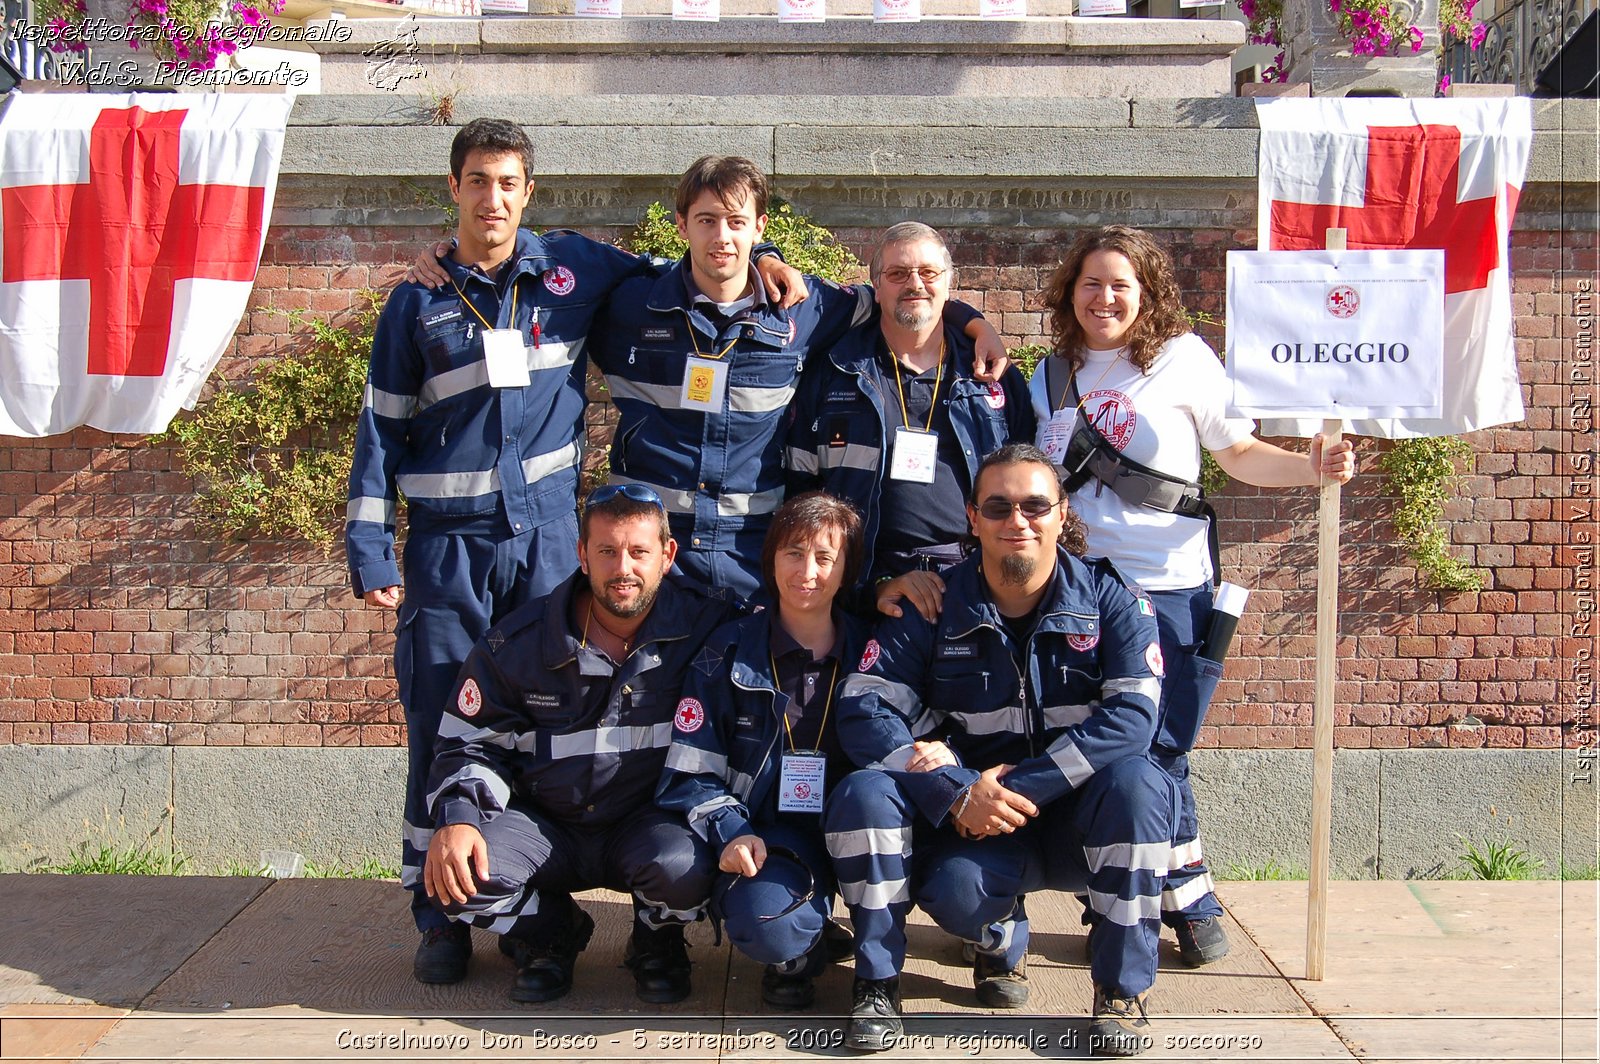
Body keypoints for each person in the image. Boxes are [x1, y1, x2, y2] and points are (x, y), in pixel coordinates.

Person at [350, 120, 801, 985]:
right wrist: (373, 550)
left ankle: (565, 907)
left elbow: (701, 260)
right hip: (449, 553)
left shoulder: (574, 270)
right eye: (477, 181)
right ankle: (440, 913)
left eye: (508, 182)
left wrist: (766, 250)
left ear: (529, 191)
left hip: (553, 543)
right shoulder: (417, 300)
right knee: (442, 717)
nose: (493, 199)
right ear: (454, 190)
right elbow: (381, 432)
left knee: (563, 713)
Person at [1031, 225, 1356, 967]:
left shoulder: (1183, 361)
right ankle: (1166, 894)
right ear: (1068, 291)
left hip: (1170, 588)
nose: (1103, 297)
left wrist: (1312, 466)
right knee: (1106, 747)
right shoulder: (1048, 377)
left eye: (1120, 284)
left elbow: (1238, 454)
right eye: (1090, 282)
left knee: (1162, 747)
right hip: (1080, 593)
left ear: (1147, 293)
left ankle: (1176, 897)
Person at [823, 444, 1178, 1057]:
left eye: (1035, 505)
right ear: (972, 517)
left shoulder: (1113, 600)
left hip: (1073, 819)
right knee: (875, 803)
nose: (1018, 520)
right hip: (974, 824)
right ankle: (908, 970)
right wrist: (952, 791)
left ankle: (1120, 994)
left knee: (1141, 786)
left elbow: (1134, 719)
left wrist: (1019, 786)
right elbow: (864, 709)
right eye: (998, 506)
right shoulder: (933, 606)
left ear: (1062, 514)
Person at [590, 156, 1010, 600]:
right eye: (706, 220)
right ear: (681, 225)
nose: (721, 236)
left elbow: (902, 300)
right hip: (654, 554)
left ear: (759, 228)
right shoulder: (629, 306)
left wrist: (973, 321)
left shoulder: (804, 308)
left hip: (749, 556)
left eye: (736, 221)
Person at [420, 484, 743, 1003]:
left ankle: (656, 939)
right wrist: (459, 815)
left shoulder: (711, 624)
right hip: (547, 826)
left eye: (639, 551)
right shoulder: (519, 644)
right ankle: (551, 934)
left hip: (647, 825)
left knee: (689, 870)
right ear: (582, 555)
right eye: (607, 551)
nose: (624, 568)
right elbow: (470, 744)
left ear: (668, 554)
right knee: (458, 879)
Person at [656, 491, 870, 1011]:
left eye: (826, 557)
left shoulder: (874, 652)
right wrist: (733, 831)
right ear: (770, 558)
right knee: (767, 925)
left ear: (848, 569)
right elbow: (691, 772)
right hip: (765, 832)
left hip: (855, 830)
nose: (808, 572)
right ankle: (800, 949)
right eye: (793, 553)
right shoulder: (727, 651)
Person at [786, 222, 1035, 615]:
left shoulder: (990, 376)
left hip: (977, 581)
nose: (915, 284)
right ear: (877, 288)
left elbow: (1030, 486)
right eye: (898, 274)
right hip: (867, 584)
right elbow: (801, 491)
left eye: (928, 273)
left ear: (948, 284)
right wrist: (866, 587)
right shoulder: (834, 369)